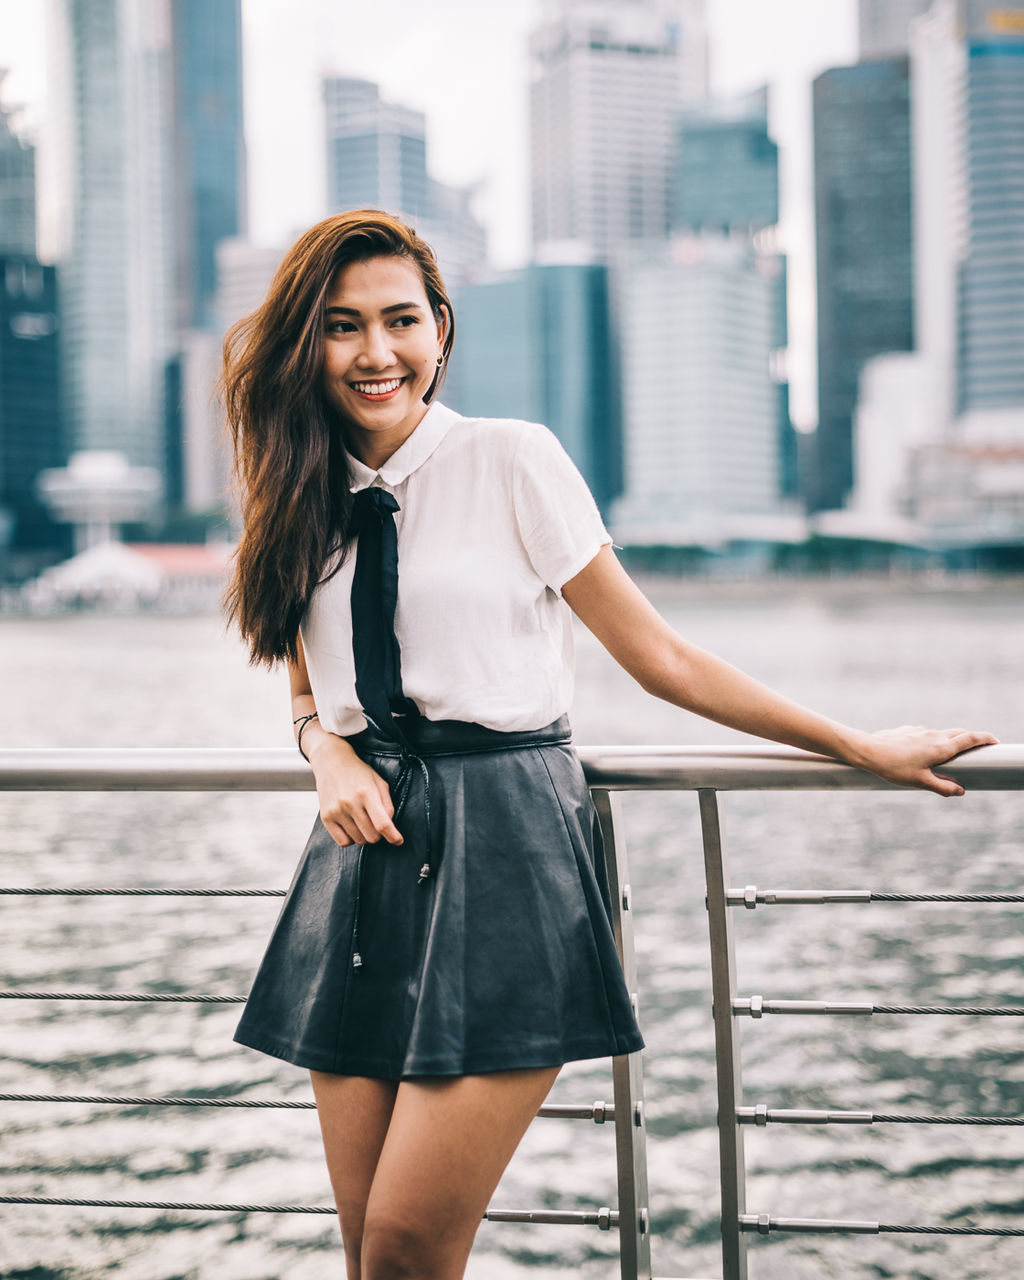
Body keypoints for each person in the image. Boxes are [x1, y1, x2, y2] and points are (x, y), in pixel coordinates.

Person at [222, 209, 996, 1280]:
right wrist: (325, 750)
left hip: (503, 850)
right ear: (306, 344)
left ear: (440, 329)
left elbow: (659, 657)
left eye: (400, 320)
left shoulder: (512, 459)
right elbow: (304, 667)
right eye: (342, 325)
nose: (374, 352)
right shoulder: (298, 486)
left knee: (406, 1246)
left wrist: (852, 742)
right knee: (365, 1251)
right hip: (358, 869)